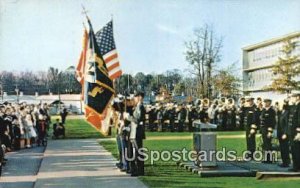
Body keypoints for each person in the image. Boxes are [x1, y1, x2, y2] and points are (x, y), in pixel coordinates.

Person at [260, 99, 276, 163]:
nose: (265, 103)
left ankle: (270, 159)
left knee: (268, 144)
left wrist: (270, 131)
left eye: (266, 102)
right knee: (265, 144)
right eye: (265, 102)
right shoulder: (264, 110)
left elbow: (273, 122)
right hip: (263, 129)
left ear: (269, 102)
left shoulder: (272, 111)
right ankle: (266, 158)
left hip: (268, 129)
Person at [288, 93, 300, 172]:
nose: (291, 98)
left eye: (292, 97)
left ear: (297, 97)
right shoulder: (294, 106)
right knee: (294, 149)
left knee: (297, 150)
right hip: (292, 131)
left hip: (297, 132)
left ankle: (297, 167)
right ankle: (296, 166)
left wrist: (299, 132)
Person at [277, 101, 290, 167]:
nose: (278, 106)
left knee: (285, 148)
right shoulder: (280, 113)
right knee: (282, 148)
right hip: (280, 133)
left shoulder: (286, 113)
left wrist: (285, 133)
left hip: (284, 134)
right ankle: (284, 161)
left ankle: (286, 162)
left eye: (280, 105)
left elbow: (287, 124)